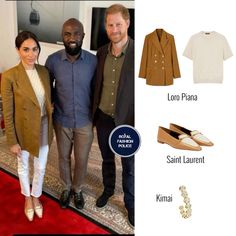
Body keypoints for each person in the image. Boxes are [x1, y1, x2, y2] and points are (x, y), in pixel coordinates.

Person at [1, 31, 53, 221]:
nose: (31, 54)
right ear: (18, 50)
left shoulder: (44, 72)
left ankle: (36, 196)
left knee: (40, 167)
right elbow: (8, 111)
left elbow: (47, 99)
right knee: (23, 165)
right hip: (22, 129)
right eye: (26, 50)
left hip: (44, 126)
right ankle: (26, 198)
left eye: (35, 49)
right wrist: (12, 140)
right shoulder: (9, 76)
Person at [45, 18, 97, 210]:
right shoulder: (52, 61)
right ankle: (66, 186)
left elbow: (97, 89)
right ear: (62, 36)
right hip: (62, 119)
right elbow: (47, 89)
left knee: (82, 158)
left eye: (76, 33)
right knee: (63, 156)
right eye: (67, 34)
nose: (72, 37)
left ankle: (77, 189)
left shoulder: (94, 61)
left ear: (83, 36)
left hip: (85, 121)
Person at [92, 4, 134, 227]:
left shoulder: (141, 53)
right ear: (106, 27)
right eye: (110, 25)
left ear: (127, 23)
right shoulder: (100, 53)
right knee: (107, 159)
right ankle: (107, 190)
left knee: (129, 165)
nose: (114, 29)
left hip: (128, 122)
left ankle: (131, 204)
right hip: (104, 119)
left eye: (118, 24)